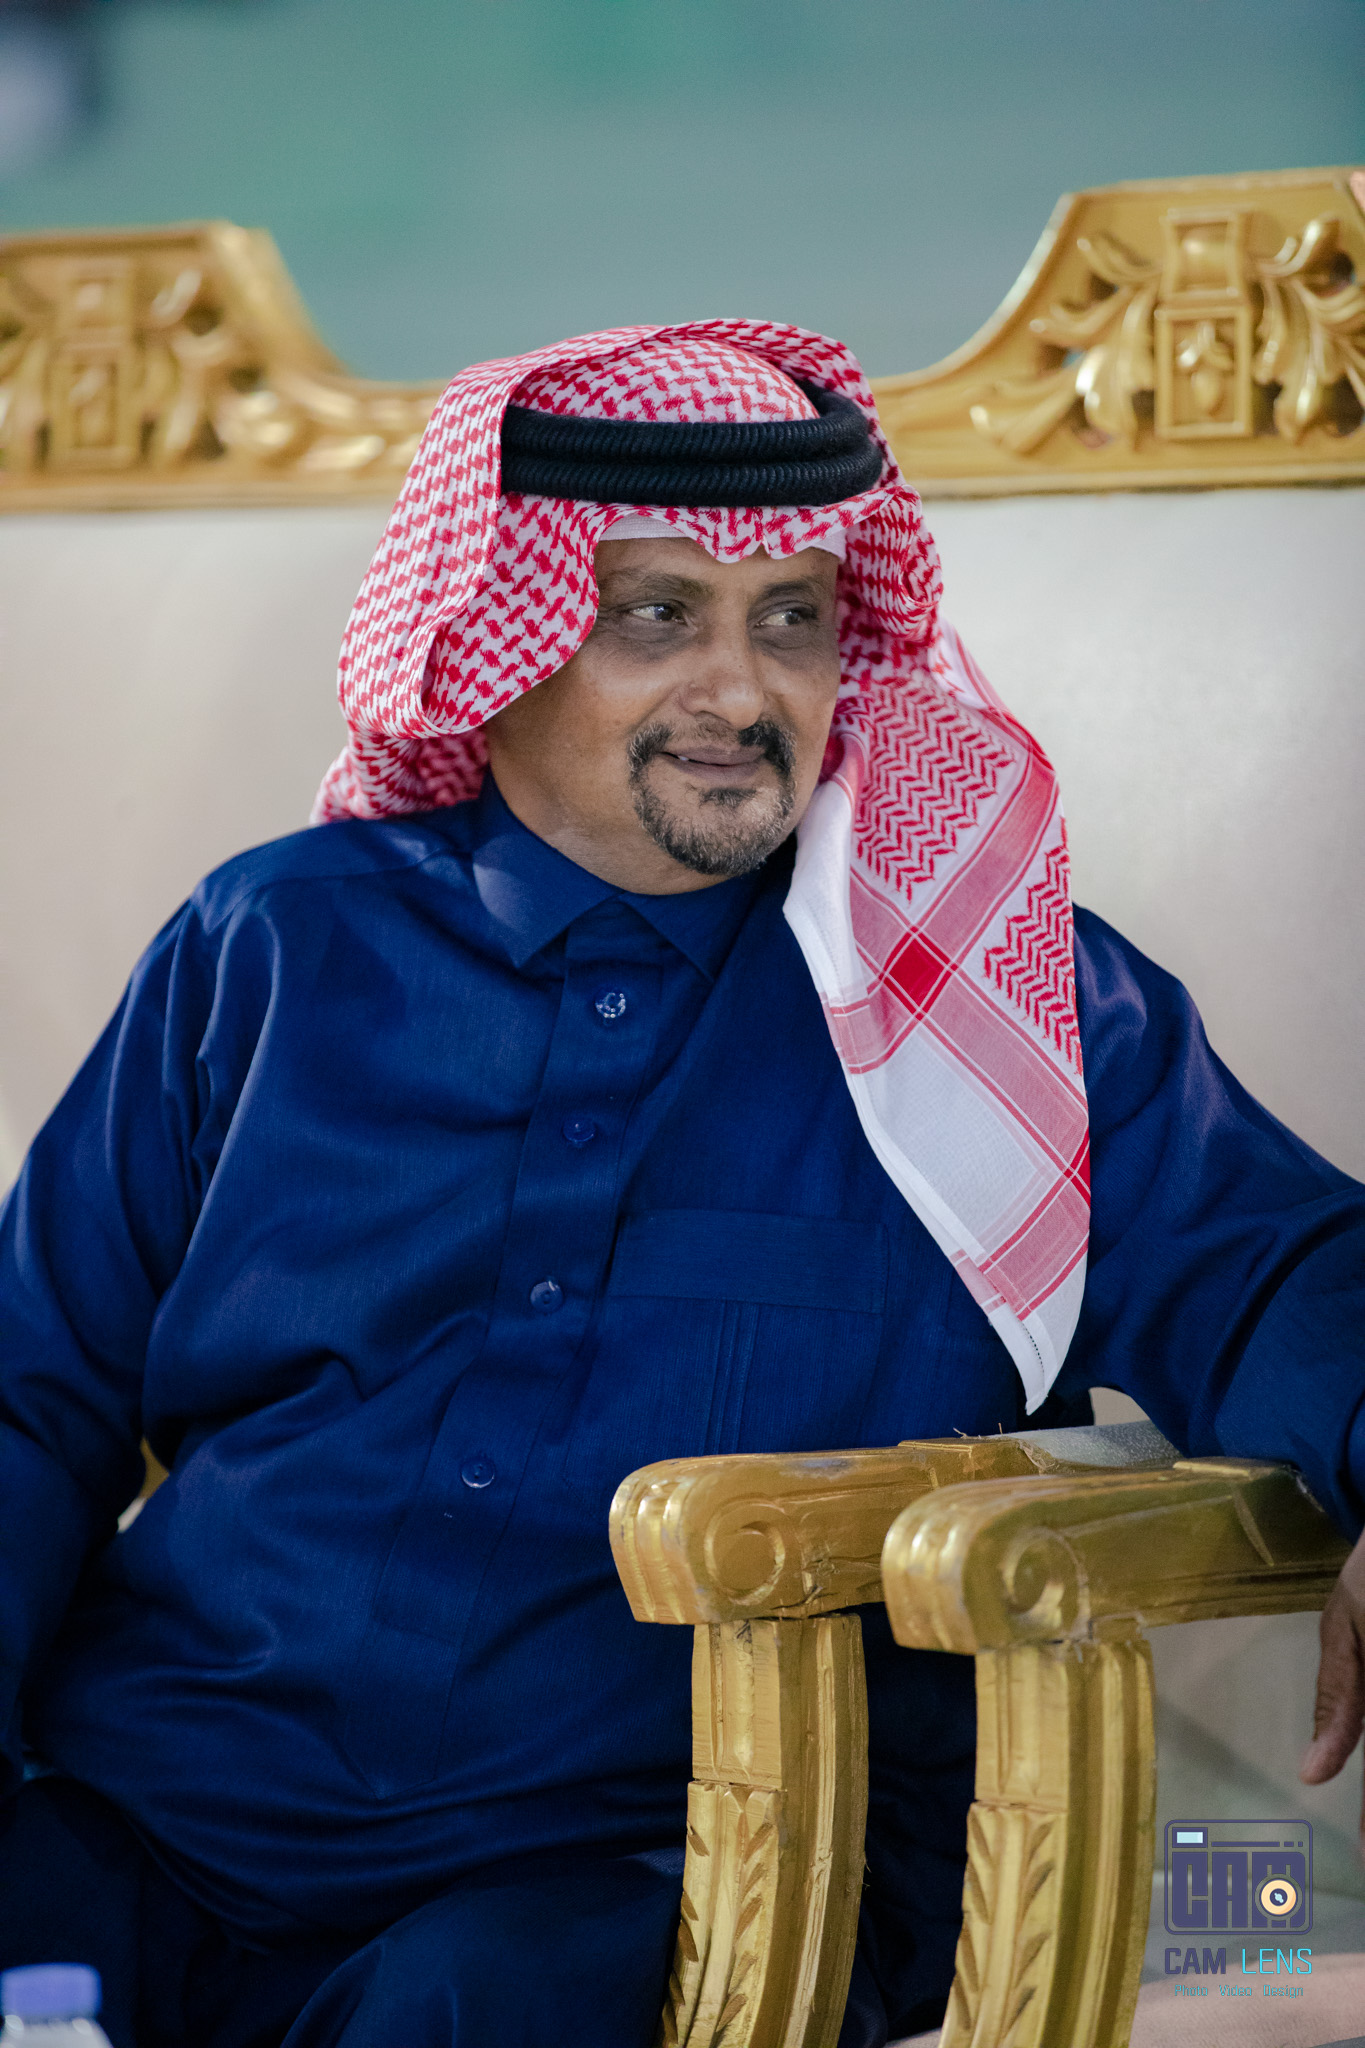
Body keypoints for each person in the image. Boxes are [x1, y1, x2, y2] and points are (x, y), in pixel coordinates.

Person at [0, 323, 1362, 2048]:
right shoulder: (270, 949)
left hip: (672, 1870)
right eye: (655, 616)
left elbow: (1275, 1266)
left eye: (790, 619)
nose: (739, 693)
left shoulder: (993, 1008)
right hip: (166, 1807)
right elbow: (28, 1391)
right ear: (495, 642)